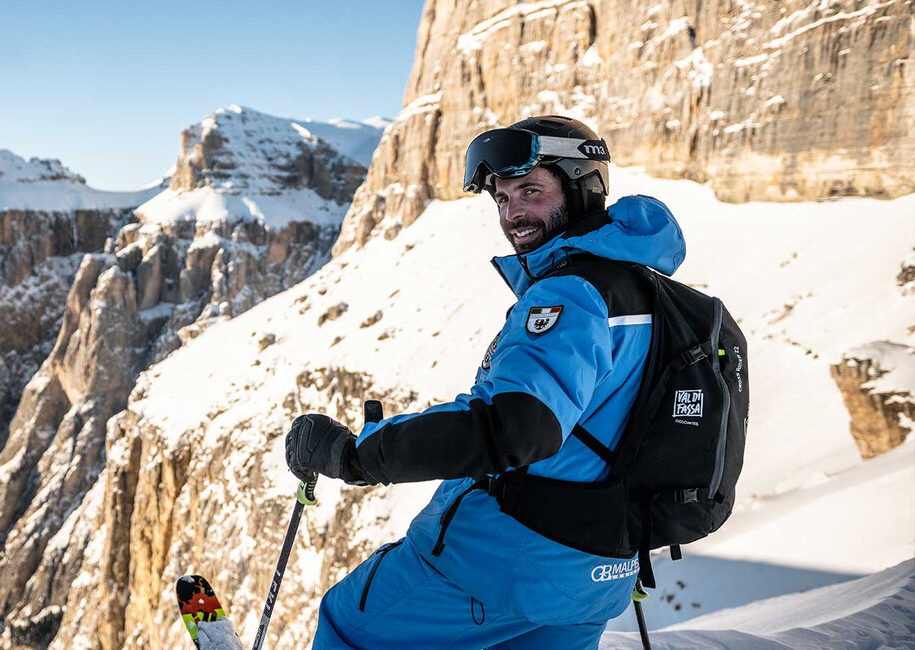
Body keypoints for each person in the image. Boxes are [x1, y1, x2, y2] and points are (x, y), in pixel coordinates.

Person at [286, 115, 687, 649]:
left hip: (506, 564)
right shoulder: (649, 295)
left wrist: (355, 455)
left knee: (348, 626)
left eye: (531, 191)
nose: (513, 212)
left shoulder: (570, 295)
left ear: (584, 187)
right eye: (501, 198)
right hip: (599, 575)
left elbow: (514, 428)